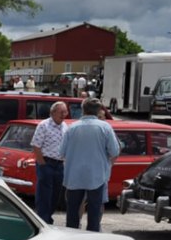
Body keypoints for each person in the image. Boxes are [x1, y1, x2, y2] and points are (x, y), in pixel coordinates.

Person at [60, 98, 119, 232]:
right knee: (94, 212)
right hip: (97, 176)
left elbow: (61, 152)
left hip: (74, 176)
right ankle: (91, 239)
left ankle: (71, 238)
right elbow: (114, 151)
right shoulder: (105, 127)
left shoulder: (71, 128)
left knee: (72, 212)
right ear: (99, 111)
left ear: (83, 110)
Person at [30, 101, 69, 224]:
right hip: (46, 163)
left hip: (59, 165)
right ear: (53, 113)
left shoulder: (65, 126)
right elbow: (36, 147)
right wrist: (42, 164)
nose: (64, 115)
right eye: (61, 112)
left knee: (56, 195)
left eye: (65, 112)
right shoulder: (44, 125)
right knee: (44, 195)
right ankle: (43, 220)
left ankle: (48, 217)